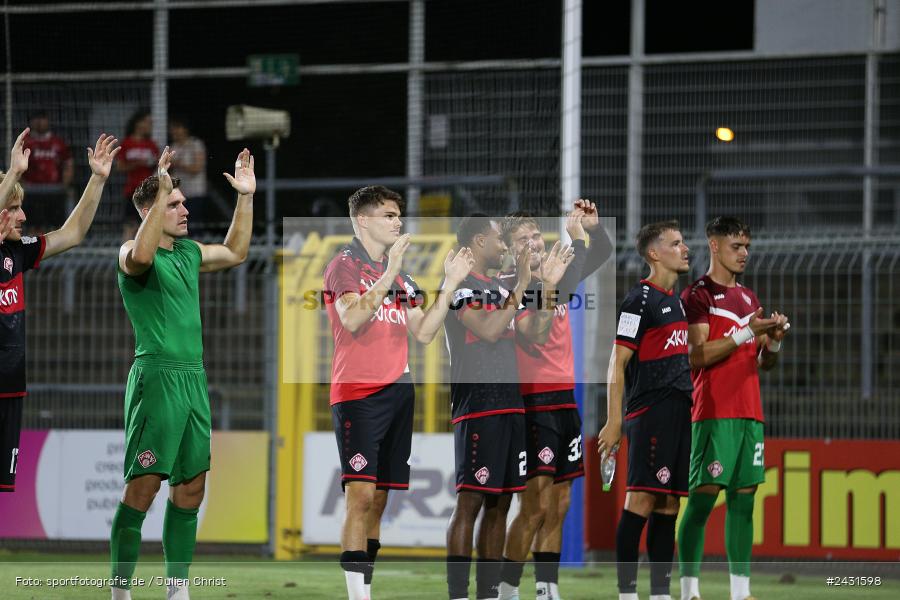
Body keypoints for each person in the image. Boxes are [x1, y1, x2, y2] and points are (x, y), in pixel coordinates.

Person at [110, 145, 255, 600]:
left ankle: (177, 589)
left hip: (193, 379)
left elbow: (234, 251)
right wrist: (160, 187)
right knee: (144, 487)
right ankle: (120, 590)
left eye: (182, 202)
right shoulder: (130, 251)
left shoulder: (190, 252)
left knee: (191, 488)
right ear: (151, 210)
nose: (184, 208)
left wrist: (246, 197)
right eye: (174, 203)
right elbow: (142, 257)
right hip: (157, 378)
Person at [323, 185, 475, 600]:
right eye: (389, 214)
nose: (397, 221)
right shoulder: (343, 265)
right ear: (363, 220)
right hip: (358, 394)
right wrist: (389, 271)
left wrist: (449, 282)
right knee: (360, 495)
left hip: (399, 392)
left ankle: (365, 588)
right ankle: (358, 597)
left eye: (398, 214)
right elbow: (352, 319)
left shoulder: (404, 278)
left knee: (380, 501)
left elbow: (424, 332)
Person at [444, 215, 572, 600]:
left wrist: (547, 286)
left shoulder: (501, 291)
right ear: (480, 241)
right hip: (478, 403)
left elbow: (535, 333)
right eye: (500, 241)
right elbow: (488, 329)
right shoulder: (460, 285)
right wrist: (519, 285)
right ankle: (458, 594)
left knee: (500, 505)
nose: (505, 248)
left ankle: (488, 594)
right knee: (470, 501)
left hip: (512, 406)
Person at [496, 201, 613, 600]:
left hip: (565, 399)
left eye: (535, 235)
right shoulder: (515, 284)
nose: (533, 242)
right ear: (511, 250)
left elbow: (599, 253)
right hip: (533, 402)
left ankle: (547, 589)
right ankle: (508, 590)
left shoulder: (556, 273)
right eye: (522, 239)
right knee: (534, 505)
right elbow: (536, 334)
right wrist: (557, 272)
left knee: (560, 502)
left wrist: (591, 232)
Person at [1, 128, 120, 493]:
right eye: (14, 208)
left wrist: (97, 180)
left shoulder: (17, 252)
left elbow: (72, 234)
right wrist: (15, 174)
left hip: (10, 387)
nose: (23, 216)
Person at [676, 217, 789, 600]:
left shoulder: (750, 298)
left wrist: (772, 342)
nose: (743, 254)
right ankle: (690, 590)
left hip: (750, 413)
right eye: (736, 246)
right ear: (714, 245)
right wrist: (747, 330)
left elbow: (762, 362)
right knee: (704, 496)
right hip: (714, 411)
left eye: (746, 248)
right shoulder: (698, 295)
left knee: (744, 500)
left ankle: (741, 593)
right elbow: (697, 354)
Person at [597, 221, 694, 600]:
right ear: (655, 253)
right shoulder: (640, 299)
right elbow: (617, 361)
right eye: (676, 243)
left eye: (683, 242)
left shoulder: (677, 302)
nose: (685, 248)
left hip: (678, 410)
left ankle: (660, 594)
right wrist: (613, 419)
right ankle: (625, 594)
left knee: (669, 503)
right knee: (640, 499)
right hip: (650, 411)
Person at [22, 110, 74, 232]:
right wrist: (22, 186)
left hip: (55, 190)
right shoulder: (26, 143)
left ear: (48, 121)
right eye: (36, 118)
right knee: (33, 226)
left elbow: (68, 165)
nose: (39, 122)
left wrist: (64, 185)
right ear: (31, 122)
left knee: (56, 226)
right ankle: (34, 249)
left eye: (42, 118)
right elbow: (17, 167)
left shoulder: (58, 143)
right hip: (32, 191)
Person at [118, 109, 159, 240]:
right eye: (147, 122)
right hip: (132, 191)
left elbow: (158, 164)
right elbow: (120, 167)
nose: (150, 126)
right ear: (138, 123)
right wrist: (137, 164)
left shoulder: (151, 145)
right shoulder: (126, 143)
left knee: (149, 224)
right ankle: (126, 255)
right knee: (130, 225)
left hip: (150, 191)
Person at [168, 117, 209, 233]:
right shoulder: (172, 147)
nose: (175, 131)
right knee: (180, 224)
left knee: (195, 225)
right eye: (172, 129)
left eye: (177, 128)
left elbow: (197, 167)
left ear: (185, 129)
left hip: (195, 192)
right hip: (179, 193)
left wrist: (178, 164)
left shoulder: (196, 144)